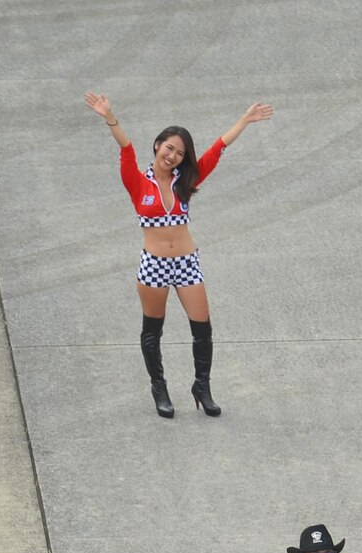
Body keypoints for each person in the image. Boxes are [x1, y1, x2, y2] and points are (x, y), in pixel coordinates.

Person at [84, 90, 273, 418]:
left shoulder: (186, 180)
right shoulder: (136, 181)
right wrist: (110, 117)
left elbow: (218, 149)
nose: (172, 155)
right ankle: (159, 387)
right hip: (154, 265)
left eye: (179, 153)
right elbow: (126, 148)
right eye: (169, 147)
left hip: (187, 263)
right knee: (152, 330)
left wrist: (244, 120)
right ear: (157, 145)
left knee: (202, 327)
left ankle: (202, 386)